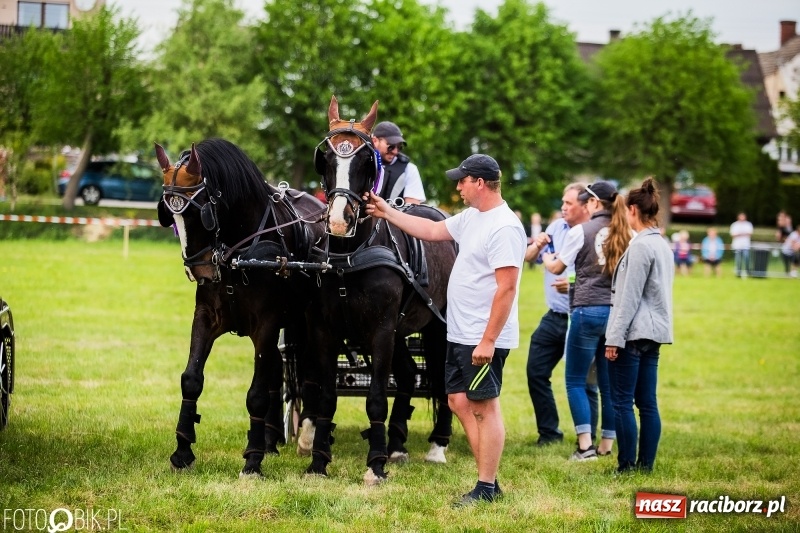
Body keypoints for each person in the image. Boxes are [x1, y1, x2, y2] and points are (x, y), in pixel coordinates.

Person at [365, 154, 526, 506]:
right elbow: (433, 231)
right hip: (460, 331)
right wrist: (386, 211)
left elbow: (507, 289)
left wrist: (488, 339)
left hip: (483, 336)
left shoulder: (504, 226)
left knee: (484, 406)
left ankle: (486, 486)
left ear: (480, 183)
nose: (458, 187)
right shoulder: (472, 217)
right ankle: (488, 478)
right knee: (458, 401)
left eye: (462, 181)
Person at [542, 180, 631, 461]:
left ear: (593, 203)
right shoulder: (626, 231)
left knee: (575, 381)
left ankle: (584, 446)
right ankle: (606, 444)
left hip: (587, 309)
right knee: (607, 383)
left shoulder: (581, 231)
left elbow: (557, 267)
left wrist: (546, 255)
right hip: (616, 313)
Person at [605, 177, 674, 474]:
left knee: (622, 402)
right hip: (656, 332)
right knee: (647, 403)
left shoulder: (640, 248)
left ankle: (626, 466)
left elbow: (628, 299)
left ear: (633, 210)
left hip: (633, 333)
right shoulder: (663, 245)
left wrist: (613, 339)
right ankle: (646, 466)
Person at [526, 184, 599, 447]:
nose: (563, 207)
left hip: (581, 315)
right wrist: (538, 244)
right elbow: (530, 257)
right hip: (555, 315)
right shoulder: (556, 228)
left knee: (587, 382)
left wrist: (573, 284)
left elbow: (600, 275)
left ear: (584, 205)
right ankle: (549, 433)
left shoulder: (593, 232)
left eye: (569, 203)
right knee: (536, 371)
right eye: (562, 202)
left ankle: (590, 437)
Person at [371, 121, 425, 205]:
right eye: (391, 146)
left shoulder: (409, 169)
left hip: (392, 217)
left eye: (399, 147)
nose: (395, 152)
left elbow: (413, 210)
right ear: (374, 141)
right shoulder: (360, 163)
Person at [730, 212, 754, 277]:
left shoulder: (748, 224)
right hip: (737, 246)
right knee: (738, 260)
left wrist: (739, 234)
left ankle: (748, 271)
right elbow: (733, 235)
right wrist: (742, 234)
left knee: (747, 259)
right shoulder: (734, 225)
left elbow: (750, 234)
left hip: (746, 246)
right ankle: (738, 272)